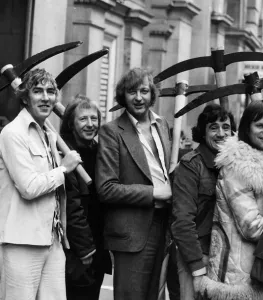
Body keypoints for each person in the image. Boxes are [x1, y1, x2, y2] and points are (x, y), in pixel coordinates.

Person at [0, 68, 81, 300]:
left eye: (50, 92)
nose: (45, 98)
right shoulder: (12, 133)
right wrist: (63, 168)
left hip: (52, 238)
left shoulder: (49, 134)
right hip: (21, 240)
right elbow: (29, 187)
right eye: (38, 91)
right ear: (25, 96)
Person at [96, 67, 172, 300]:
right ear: (122, 96)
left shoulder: (163, 125)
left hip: (165, 225)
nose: (139, 97)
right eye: (132, 91)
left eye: (144, 91)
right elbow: (106, 188)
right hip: (132, 232)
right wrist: (154, 193)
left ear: (152, 94)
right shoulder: (111, 132)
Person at [198, 100, 263, 300]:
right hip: (239, 273)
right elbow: (251, 226)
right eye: (260, 125)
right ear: (247, 128)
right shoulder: (238, 165)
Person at [171, 103, 236, 300]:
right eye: (213, 127)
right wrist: (197, 268)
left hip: (229, 259)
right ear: (202, 132)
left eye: (226, 127)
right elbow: (182, 222)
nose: (221, 133)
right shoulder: (191, 166)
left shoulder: (236, 164)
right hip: (199, 257)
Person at [60, 94, 112, 300]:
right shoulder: (65, 154)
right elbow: (71, 206)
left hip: (98, 244)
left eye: (94, 119)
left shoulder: (99, 151)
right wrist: (85, 250)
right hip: (77, 250)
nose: (90, 124)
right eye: (83, 119)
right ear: (71, 124)